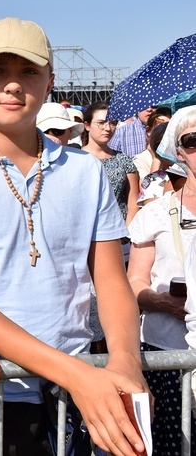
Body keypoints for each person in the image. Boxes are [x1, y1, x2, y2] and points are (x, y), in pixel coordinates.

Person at [0, 17, 149, 455]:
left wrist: (125, 360)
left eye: (28, 72)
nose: (12, 86)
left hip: (83, 388)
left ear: (49, 83)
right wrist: (77, 375)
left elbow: (111, 279)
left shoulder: (85, 170)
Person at [128, 105, 196, 454]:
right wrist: (161, 302)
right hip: (167, 353)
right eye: (194, 140)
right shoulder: (155, 212)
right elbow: (134, 283)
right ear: (179, 151)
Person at [81, 102, 139, 225]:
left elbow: (133, 201)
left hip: (118, 232)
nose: (107, 128)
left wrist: (128, 233)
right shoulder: (75, 158)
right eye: (101, 123)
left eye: (112, 123)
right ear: (87, 125)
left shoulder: (123, 159)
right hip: (83, 229)